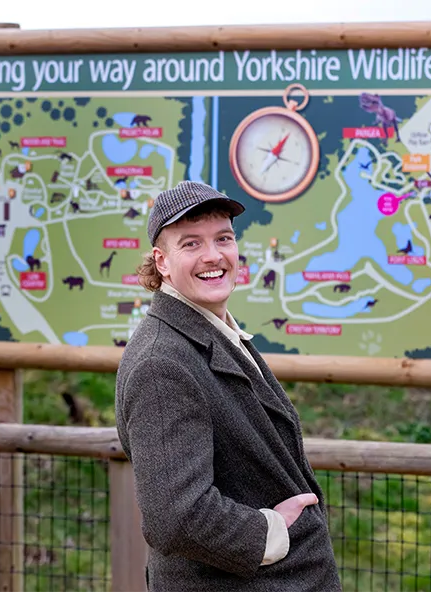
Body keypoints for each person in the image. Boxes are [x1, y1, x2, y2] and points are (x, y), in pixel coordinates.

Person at [114, 180, 341, 591]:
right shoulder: (161, 364)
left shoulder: (211, 332)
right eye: (191, 244)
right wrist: (271, 532)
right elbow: (176, 516)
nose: (214, 256)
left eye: (223, 238)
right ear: (161, 261)